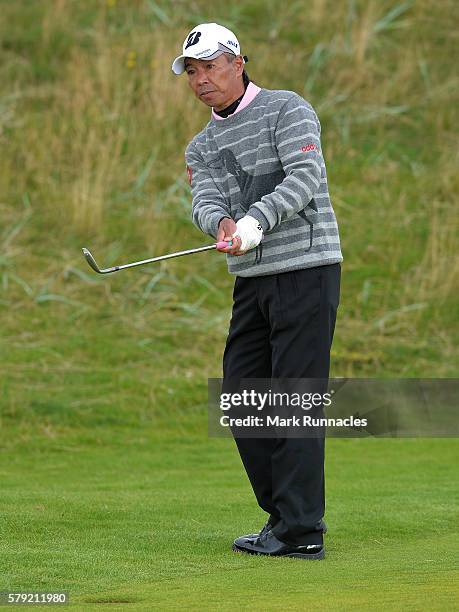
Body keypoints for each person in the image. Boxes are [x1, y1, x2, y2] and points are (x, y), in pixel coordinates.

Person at [172, 23, 342, 560]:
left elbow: (304, 176)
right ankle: (284, 518)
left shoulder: (288, 109)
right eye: (193, 72)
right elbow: (206, 199)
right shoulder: (203, 145)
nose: (202, 80)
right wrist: (223, 223)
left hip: (307, 268)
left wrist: (254, 223)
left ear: (239, 62)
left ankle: (300, 530)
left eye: (211, 66)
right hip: (253, 281)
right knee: (242, 396)